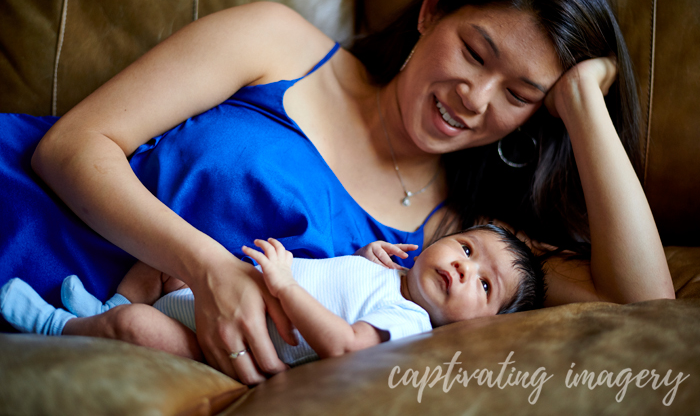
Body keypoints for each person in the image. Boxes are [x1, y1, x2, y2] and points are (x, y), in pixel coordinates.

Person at [0, 0, 674, 384]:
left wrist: (583, 103)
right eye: (474, 51)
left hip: (107, 331)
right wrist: (211, 268)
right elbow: (72, 147)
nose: (477, 97)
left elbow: (651, 315)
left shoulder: (464, 242)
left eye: (521, 95)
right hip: (24, 206)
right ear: (433, 9)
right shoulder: (280, 44)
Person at [1, 225, 544, 366]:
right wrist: (366, 254)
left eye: (484, 284)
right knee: (162, 258)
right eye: (468, 249)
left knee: (140, 331)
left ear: (483, 324)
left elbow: (346, 345)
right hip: (207, 295)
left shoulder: (408, 321)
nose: (462, 268)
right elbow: (342, 284)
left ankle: (56, 325)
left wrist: (283, 285)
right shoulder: (389, 279)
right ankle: (107, 310)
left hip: (215, 343)